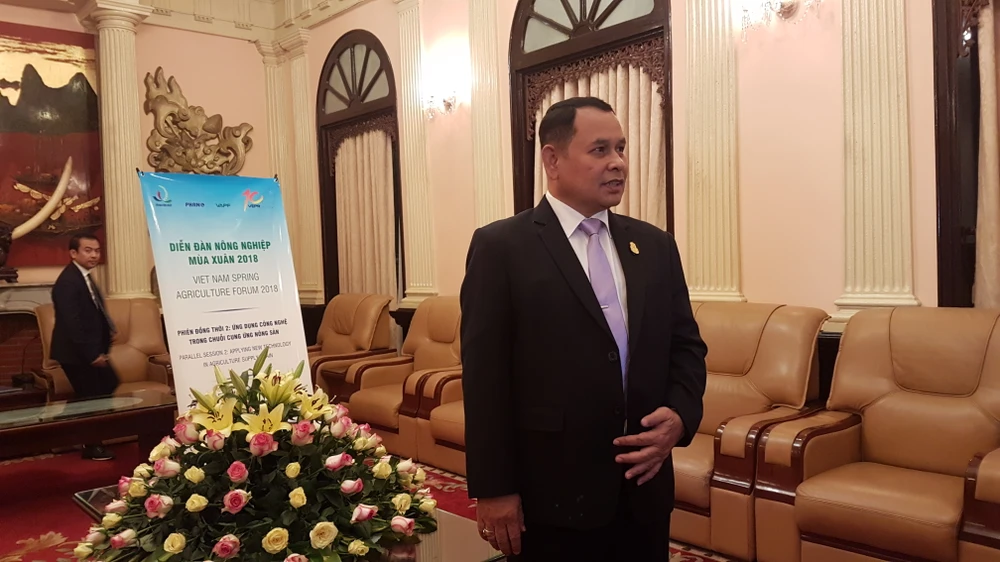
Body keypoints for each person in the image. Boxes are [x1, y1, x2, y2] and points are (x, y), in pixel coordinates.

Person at [460, 96, 708, 561]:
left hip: (643, 490)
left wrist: (680, 416)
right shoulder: (502, 248)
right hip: (551, 497)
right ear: (552, 160)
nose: (618, 163)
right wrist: (494, 488)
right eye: (600, 150)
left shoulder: (655, 246)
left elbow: (686, 347)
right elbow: (485, 378)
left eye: (621, 148)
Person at [51, 232, 118, 461]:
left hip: (89, 349)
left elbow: (93, 312)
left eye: (97, 251)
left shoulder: (84, 276)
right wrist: (91, 355)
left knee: (106, 385)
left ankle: (65, 424)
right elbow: (73, 323)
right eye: (88, 250)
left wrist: (108, 332)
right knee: (93, 397)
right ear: (73, 253)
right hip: (76, 353)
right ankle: (92, 446)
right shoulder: (68, 281)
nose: (94, 255)